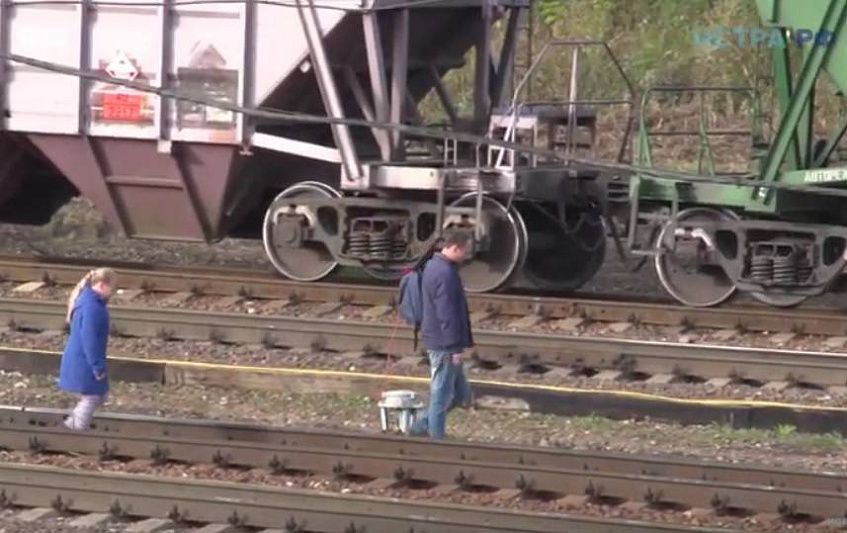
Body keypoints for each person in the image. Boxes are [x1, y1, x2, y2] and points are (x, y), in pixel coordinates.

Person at [409, 229, 474, 439]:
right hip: (444, 344)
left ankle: (420, 427)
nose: (468, 255)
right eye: (466, 250)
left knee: (461, 394)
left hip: (443, 341)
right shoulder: (445, 274)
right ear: (455, 248)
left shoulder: (436, 267)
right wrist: (454, 348)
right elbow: (447, 314)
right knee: (442, 395)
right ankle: (437, 439)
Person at [59, 268, 117, 431]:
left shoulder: (86, 300)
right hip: (84, 361)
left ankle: (72, 426)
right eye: (112, 288)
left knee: (100, 395)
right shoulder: (93, 308)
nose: (112, 293)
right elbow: (90, 339)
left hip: (79, 358)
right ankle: (74, 429)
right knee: (93, 396)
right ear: (102, 285)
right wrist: (97, 366)